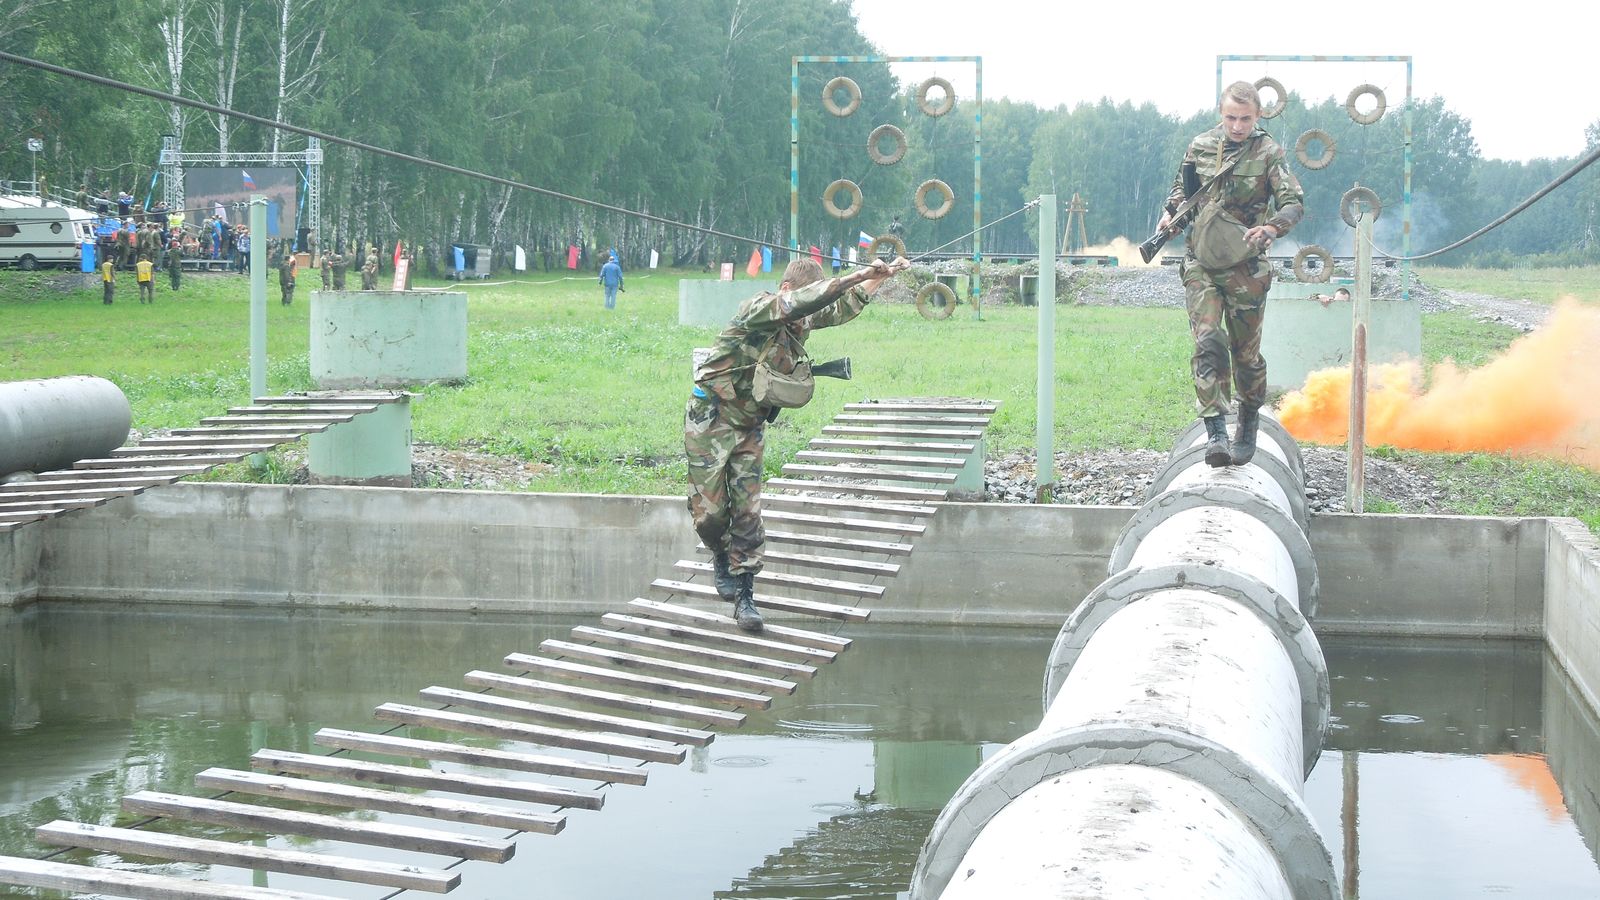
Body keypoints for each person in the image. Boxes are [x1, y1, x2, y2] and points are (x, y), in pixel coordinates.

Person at [686, 254, 909, 632]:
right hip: (712, 418)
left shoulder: (801, 319)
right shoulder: (758, 308)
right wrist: (858, 273)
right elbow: (807, 301)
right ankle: (719, 554)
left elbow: (839, 308)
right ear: (786, 288)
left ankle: (745, 596)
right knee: (709, 514)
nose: (807, 307)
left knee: (747, 511)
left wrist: (880, 278)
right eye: (803, 296)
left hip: (750, 424)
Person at [1156, 80, 1303, 468]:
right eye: (1230, 117)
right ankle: (1216, 431)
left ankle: (1249, 419)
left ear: (1257, 117)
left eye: (1245, 119)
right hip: (1201, 262)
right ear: (1221, 114)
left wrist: (1272, 228)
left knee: (1246, 355)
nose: (1237, 126)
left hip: (1247, 267)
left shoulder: (1269, 152)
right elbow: (1180, 192)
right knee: (1208, 341)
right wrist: (1170, 215)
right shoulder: (1200, 146)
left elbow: (1292, 201)